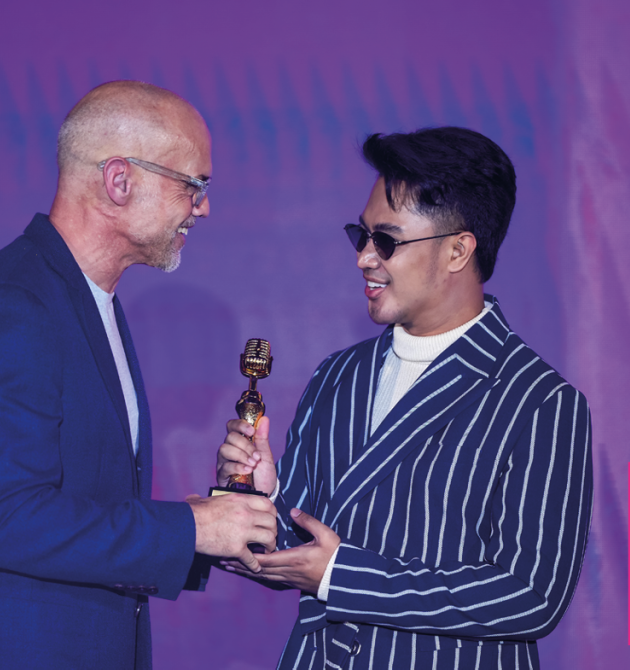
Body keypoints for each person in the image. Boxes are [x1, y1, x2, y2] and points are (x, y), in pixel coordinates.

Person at [0, 81, 277, 670]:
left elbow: (87, 504)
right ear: (119, 181)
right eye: (192, 185)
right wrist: (189, 528)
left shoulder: (88, 301)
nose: (202, 208)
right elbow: (12, 521)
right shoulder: (17, 303)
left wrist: (215, 521)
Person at [217, 127, 592, 668]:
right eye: (361, 235)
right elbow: (298, 548)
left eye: (386, 241)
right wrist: (262, 496)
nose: (364, 258)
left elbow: (531, 596)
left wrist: (345, 578)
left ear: (458, 250)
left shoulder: (539, 401)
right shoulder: (339, 374)